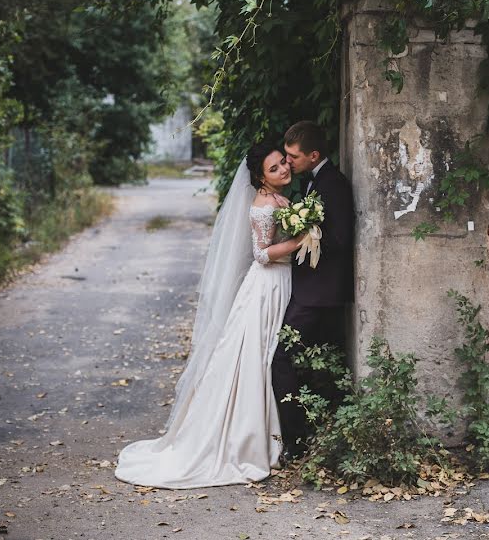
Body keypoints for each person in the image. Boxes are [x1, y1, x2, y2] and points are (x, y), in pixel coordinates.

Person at [114, 144, 303, 489]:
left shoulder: (278, 199)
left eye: (283, 164)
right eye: (274, 168)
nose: (283, 170)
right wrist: (301, 239)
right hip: (267, 286)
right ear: (261, 177)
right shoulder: (263, 205)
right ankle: (245, 440)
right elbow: (261, 254)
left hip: (281, 282)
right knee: (256, 357)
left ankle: (269, 435)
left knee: (266, 356)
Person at [271, 121, 355, 459]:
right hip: (310, 290)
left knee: (281, 358)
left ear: (314, 155)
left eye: (292, 157)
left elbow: (340, 239)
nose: (288, 163)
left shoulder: (334, 185)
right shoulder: (313, 181)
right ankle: (312, 435)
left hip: (321, 294)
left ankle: (296, 441)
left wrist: (307, 230)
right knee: (311, 365)